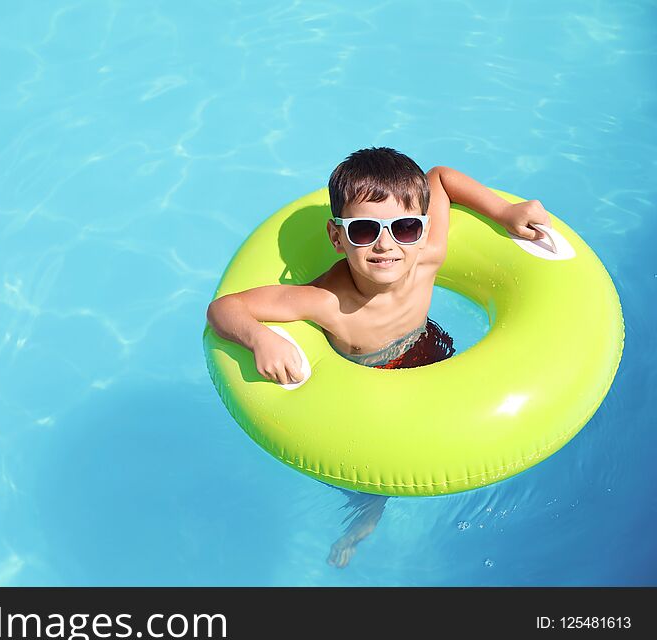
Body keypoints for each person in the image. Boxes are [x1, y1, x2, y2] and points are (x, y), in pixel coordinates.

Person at [206, 146, 553, 567]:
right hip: (367, 385)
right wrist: (260, 339)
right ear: (337, 238)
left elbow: (440, 177)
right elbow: (224, 308)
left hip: (427, 350)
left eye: (405, 227)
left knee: (462, 422)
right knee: (376, 476)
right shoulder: (325, 301)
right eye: (364, 230)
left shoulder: (428, 259)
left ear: (422, 231)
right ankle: (367, 514)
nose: (385, 245)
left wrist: (505, 211)